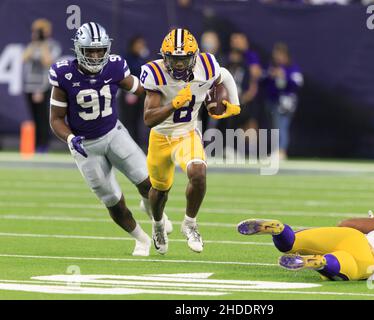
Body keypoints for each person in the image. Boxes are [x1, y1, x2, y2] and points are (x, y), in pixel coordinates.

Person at [49, 22, 172, 257]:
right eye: (89, 51)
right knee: (114, 201)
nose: (95, 56)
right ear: (78, 50)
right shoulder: (64, 74)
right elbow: (55, 119)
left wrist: (167, 99)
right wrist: (70, 138)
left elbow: (142, 89)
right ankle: (141, 239)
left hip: (114, 133)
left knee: (149, 183)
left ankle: (157, 216)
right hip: (85, 146)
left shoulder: (115, 66)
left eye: (99, 50)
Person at [140, 28, 241, 254]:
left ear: (193, 57)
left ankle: (190, 223)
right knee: (159, 190)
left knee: (198, 173)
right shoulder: (155, 73)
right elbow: (148, 119)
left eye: (183, 59)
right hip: (161, 137)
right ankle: (157, 224)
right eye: (173, 60)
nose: (178, 65)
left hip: (187, 133)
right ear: (164, 57)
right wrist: (173, 104)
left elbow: (224, 74)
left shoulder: (206, 66)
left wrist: (235, 103)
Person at [238, 209, 374, 281]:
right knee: (342, 263)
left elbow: (347, 224)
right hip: (368, 262)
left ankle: (279, 230)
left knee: (294, 242)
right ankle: (321, 262)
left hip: (354, 239)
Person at [22, 18, 61, 153]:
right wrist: (35, 43)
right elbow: (24, 58)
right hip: (29, 86)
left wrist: (43, 44)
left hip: (43, 86)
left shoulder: (52, 45)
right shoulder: (31, 45)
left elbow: (47, 62)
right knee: (33, 117)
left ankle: (44, 145)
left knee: (43, 117)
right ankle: (33, 144)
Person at [264, 42, 303, 160]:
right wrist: (269, 75)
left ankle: (282, 150)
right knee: (275, 127)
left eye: (280, 55)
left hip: (286, 103)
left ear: (286, 55)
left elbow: (298, 83)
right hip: (272, 101)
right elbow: (263, 80)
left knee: (282, 125)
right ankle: (277, 150)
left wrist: (284, 75)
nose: (277, 57)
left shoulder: (292, 68)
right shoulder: (271, 67)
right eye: (276, 54)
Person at [119, 36, 149, 149]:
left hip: (140, 94)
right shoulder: (126, 58)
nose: (141, 47)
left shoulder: (142, 58)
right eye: (138, 44)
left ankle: (136, 146)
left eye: (142, 44)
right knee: (127, 121)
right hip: (128, 93)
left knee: (138, 121)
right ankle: (125, 145)